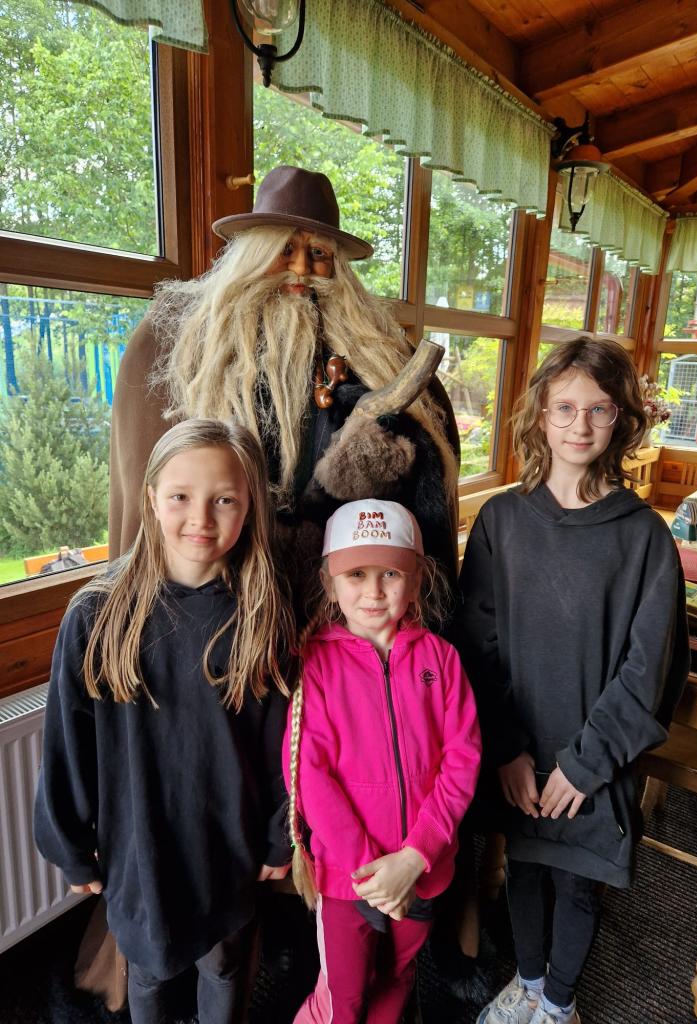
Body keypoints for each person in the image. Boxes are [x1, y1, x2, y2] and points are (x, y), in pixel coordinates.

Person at [457, 337, 690, 1024]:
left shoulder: (644, 537)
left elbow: (650, 667)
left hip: (594, 757)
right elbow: (477, 645)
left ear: (622, 419)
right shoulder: (501, 520)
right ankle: (529, 983)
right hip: (519, 750)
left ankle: (559, 1004)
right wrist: (506, 748)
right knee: (524, 868)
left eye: (598, 409)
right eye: (564, 407)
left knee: (580, 883)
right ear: (540, 413)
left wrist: (587, 764)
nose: (579, 425)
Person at [34, 419, 295, 1024]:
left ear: (249, 505)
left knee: (223, 966)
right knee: (148, 973)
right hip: (138, 847)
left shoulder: (263, 613)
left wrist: (279, 835)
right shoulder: (97, 615)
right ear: (151, 497)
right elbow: (67, 744)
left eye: (224, 500)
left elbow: (284, 741)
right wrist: (70, 848)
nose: (200, 518)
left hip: (227, 845)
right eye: (181, 496)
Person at [109, 165, 459, 589]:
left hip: (344, 583)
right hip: (227, 574)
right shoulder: (182, 340)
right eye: (285, 249)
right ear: (255, 254)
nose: (300, 267)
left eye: (318, 254)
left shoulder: (374, 347)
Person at [285, 498, 482, 1024]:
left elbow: (462, 758)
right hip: (347, 879)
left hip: (422, 869)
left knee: (398, 977)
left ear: (416, 581)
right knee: (344, 997)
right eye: (356, 574)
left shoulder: (442, 660)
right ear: (329, 584)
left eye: (390, 573)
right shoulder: (314, 664)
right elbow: (308, 774)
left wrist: (415, 857)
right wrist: (371, 875)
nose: (373, 591)